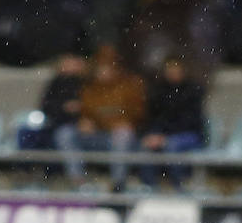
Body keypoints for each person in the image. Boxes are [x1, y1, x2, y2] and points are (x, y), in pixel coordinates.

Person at [54, 45, 147, 192]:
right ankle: (78, 181)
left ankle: (118, 184)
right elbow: (87, 112)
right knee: (65, 134)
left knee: (123, 135)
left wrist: (111, 123)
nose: (103, 71)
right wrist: (84, 121)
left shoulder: (131, 85)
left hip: (123, 139)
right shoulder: (89, 88)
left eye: (108, 66)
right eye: (101, 67)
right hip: (98, 135)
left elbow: (137, 114)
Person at [137, 57, 207, 188]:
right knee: (145, 145)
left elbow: (190, 121)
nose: (173, 73)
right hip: (164, 134)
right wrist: (153, 134)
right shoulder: (159, 91)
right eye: (170, 70)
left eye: (176, 70)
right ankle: (149, 186)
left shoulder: (193, 91)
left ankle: (178, 185)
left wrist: (165, 136)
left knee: (171, 146)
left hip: (190, 134)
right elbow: (154, 118)